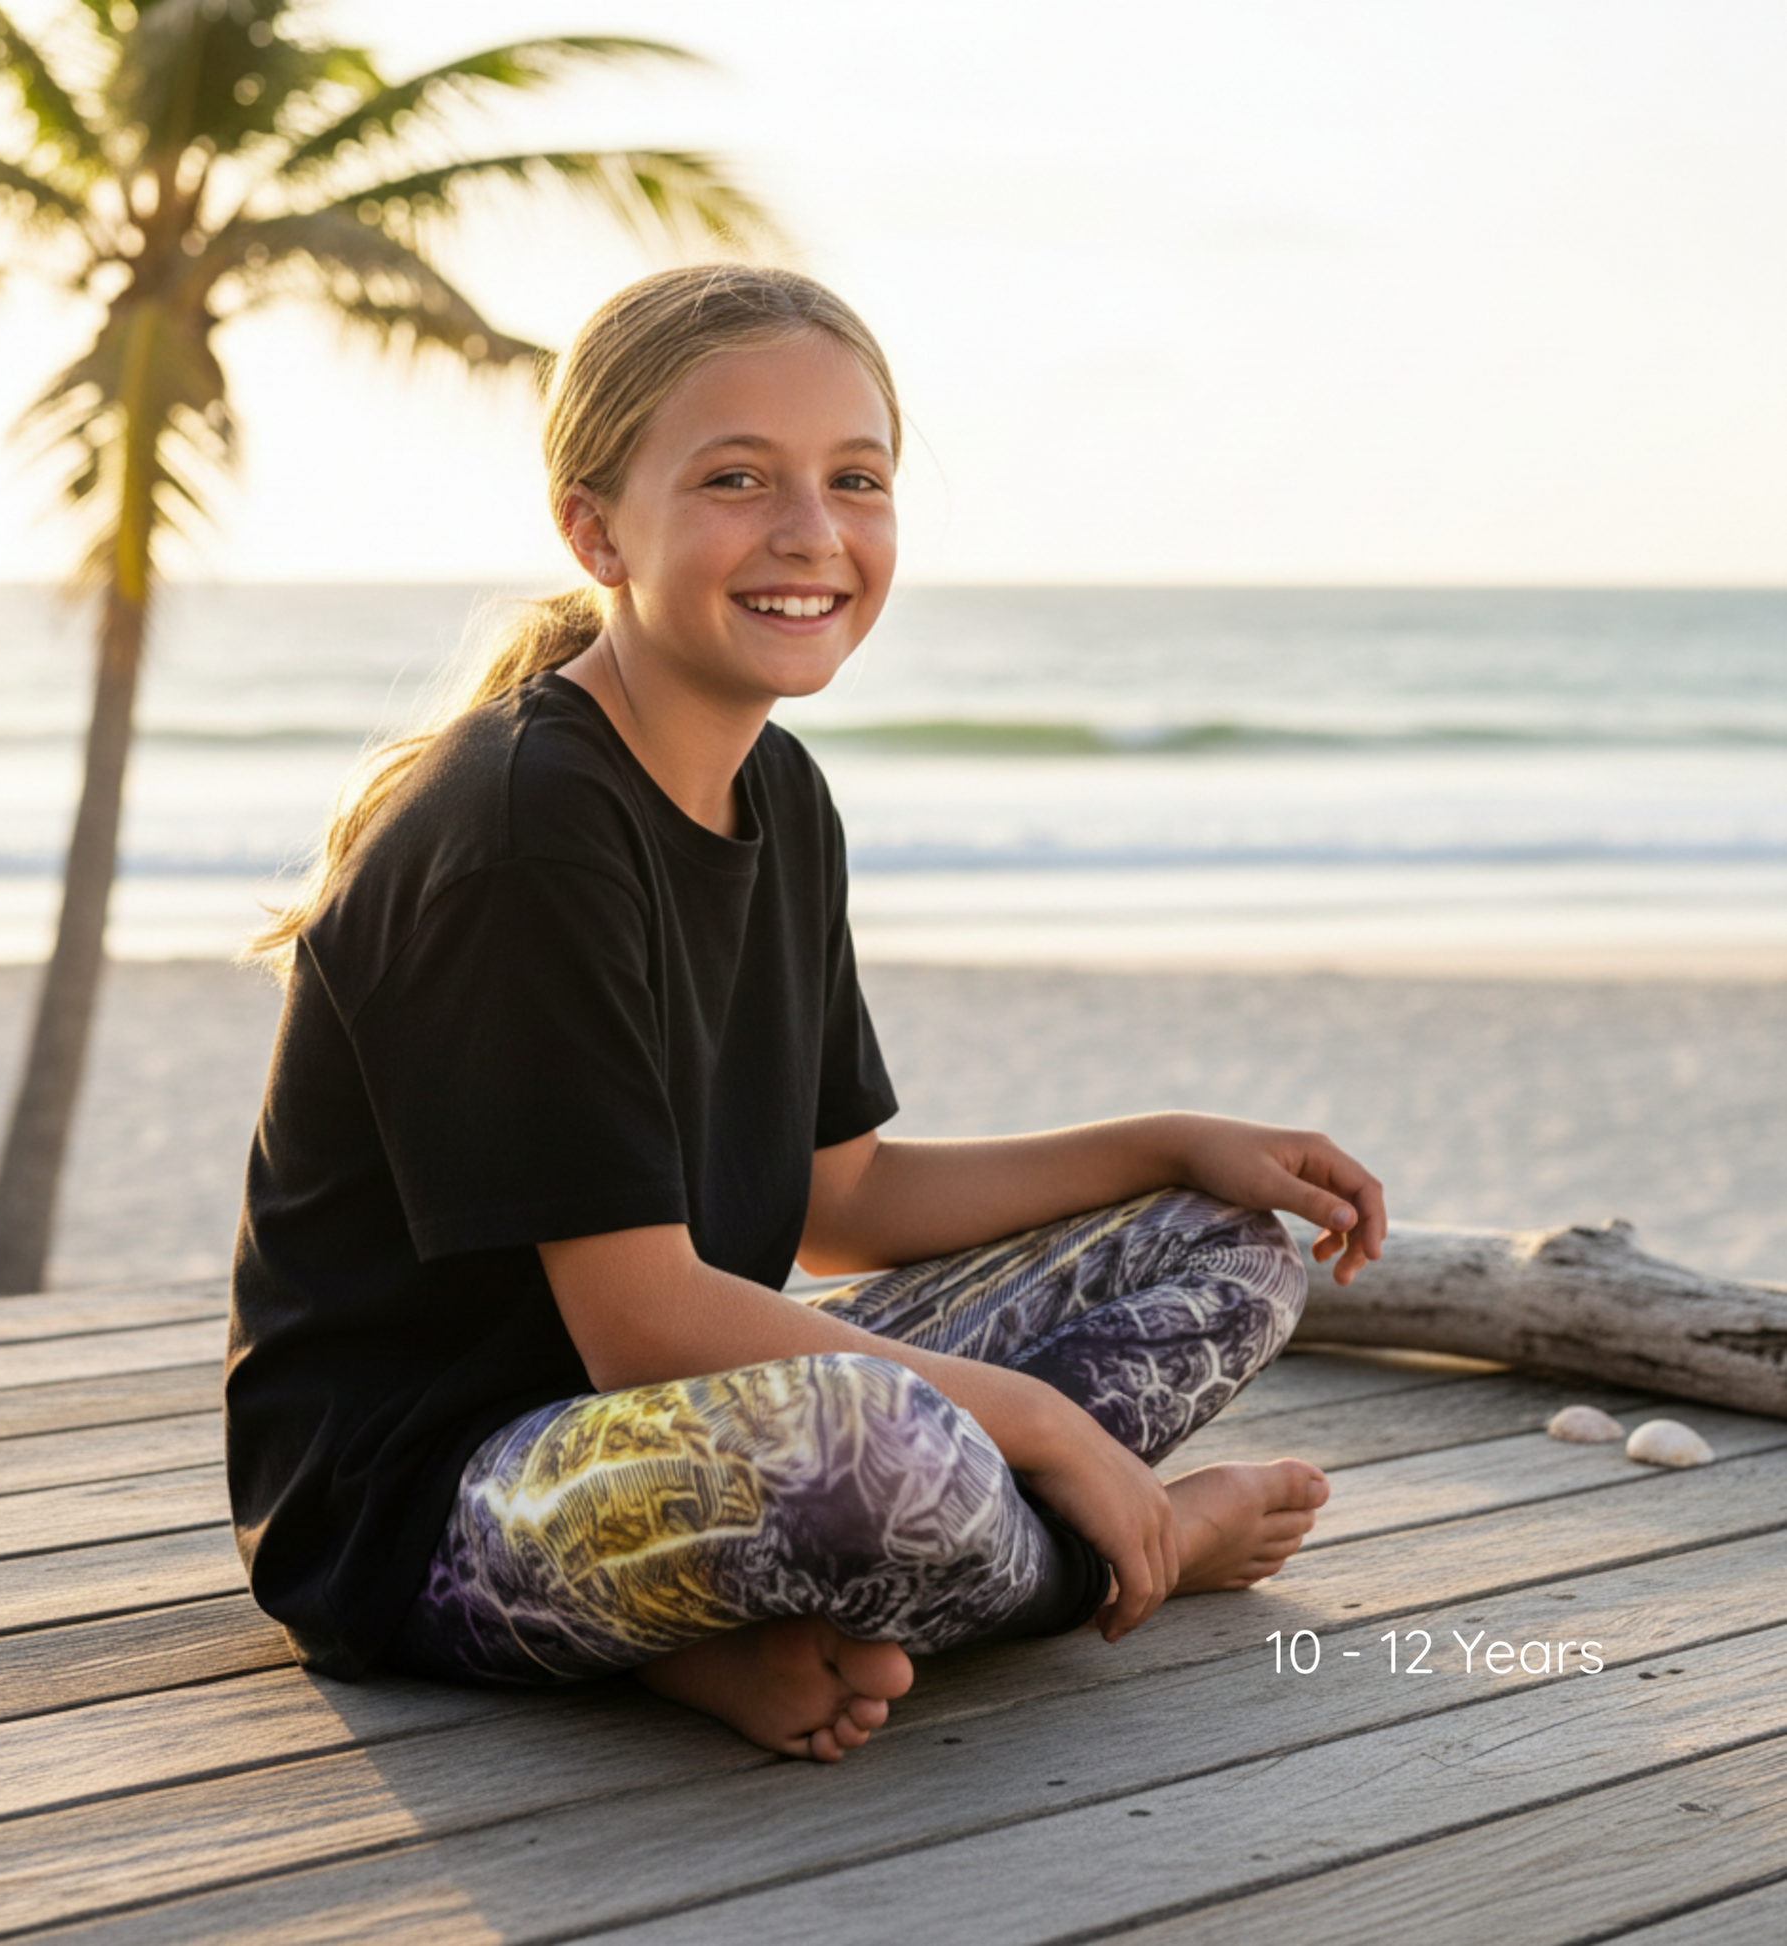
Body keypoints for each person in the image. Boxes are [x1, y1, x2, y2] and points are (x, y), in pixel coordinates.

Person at [227, 264, 1387, 1763]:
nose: (809, 534)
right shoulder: (527, 828)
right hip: (429, 1511)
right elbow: (642, 1317)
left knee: (1217, 1247)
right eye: (734, 479)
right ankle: (1119, 1553)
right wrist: (1049, 1432)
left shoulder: (775, 788)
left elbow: (844, 1196)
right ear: (596, 530)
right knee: (878, 1454)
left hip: (687, 1439)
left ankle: (726, 1633)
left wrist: (1171, 1139)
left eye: (856, 479)